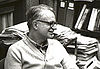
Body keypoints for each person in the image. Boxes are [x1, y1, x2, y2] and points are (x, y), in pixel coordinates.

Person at [4, 4, 79, 69]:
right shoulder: (16, 50)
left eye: (55, 23)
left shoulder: (57, 45)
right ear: (35, 25)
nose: (55, 28)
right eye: (50, 23)